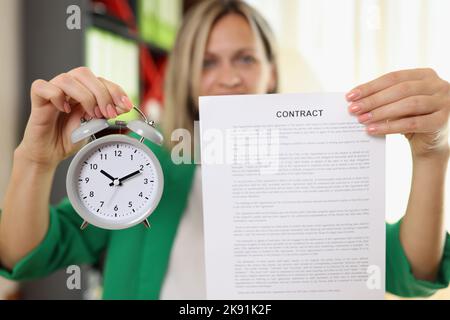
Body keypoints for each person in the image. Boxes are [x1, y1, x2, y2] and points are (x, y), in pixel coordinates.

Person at [0, 0, 449, 299]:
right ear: (187, 76)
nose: (229, 77)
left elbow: (407, 267)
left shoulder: (313, 164)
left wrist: (432, 155)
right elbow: (24, 255)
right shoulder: (140, 165)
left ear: (270, 72)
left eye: (245, 58)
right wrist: (34, 160)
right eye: (208, 61)